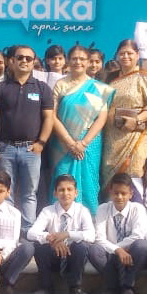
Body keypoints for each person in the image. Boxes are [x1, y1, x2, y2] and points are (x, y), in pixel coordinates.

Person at [0, 44, 54, 231]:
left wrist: (41, 143)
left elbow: (49, 118)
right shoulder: (0, 88)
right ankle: (6, 231)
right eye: (20, 57)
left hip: (31, 149)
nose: (24, 61)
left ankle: (27, 231)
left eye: (28, 58)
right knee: (4, 191)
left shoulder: (42, 88)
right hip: (5, 148)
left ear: (33, 62)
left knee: (29, 193)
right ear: (11, 61)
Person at [49, 45, 114, 215]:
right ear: (68, 61)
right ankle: (59, 221)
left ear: (88, 62)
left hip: (89, 143)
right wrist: (70, 143)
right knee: (62, 180)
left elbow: (101, 118)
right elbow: (52, 116)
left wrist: (83, 143)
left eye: (82, 59)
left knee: (88, 182)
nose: (78, 62)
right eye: (74, 58)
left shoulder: (99, 88)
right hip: (63, 143)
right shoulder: (61, 84)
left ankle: (89, 222)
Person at [27, 174, 96, 294]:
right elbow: (31, 233)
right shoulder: (48, 211)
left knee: (81, 246)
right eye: (61, 190)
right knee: (39, 245)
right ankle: (45, 286)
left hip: (73, 258)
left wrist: (68, 234)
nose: (65, 193)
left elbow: (91, 235)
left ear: (76, 193)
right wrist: (51, 239)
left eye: (69, 189)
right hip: (54, 257)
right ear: (55, 193)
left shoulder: (82, 211)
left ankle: (75, 287)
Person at [103, 39, 147, 184]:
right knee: (113, 185)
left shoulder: (144, 78)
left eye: (129, 53)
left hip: (136, 139)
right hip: (112, 141)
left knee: (134, 178)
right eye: (122, 53)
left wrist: (136, 120)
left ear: (137, 55)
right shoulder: (111, 81)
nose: (125, 57)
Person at [90, 172, 147, 294]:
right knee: (94, 250)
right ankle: (113, 286)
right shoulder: (103, 208)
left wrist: (120, 248)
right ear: (110, 192)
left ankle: (128, 287)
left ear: (131, 194)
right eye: (116, 193)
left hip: (130, 253)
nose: (119, 197)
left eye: (123, 193)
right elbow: (99, 238)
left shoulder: (137, 209)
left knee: (142, 245)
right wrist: (117, 250)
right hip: (110, 253)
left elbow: (138, 235)